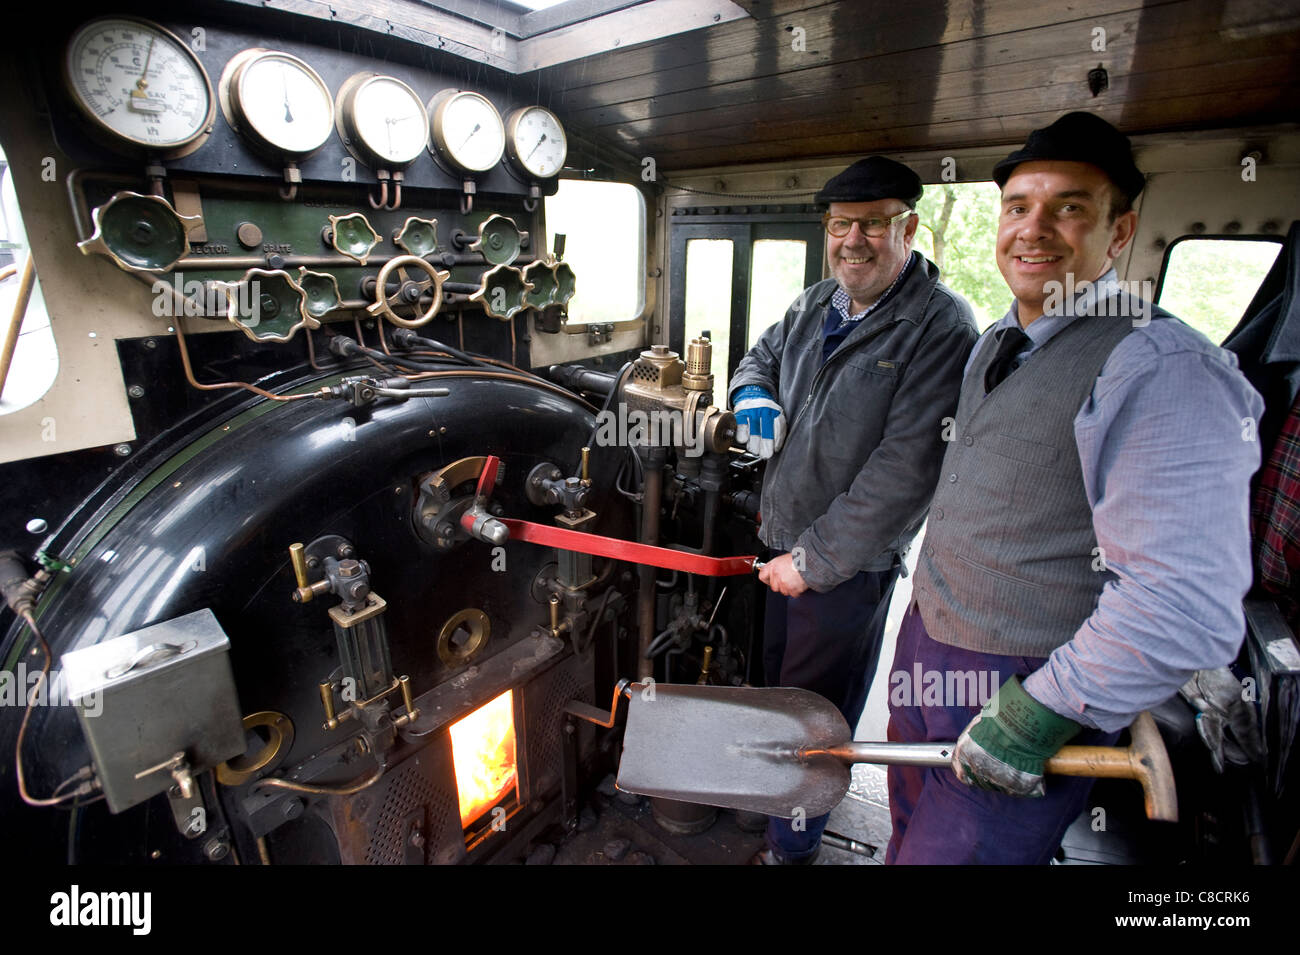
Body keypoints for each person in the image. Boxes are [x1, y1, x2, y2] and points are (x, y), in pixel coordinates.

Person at [886, 112, 1264, 864]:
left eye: (1069, 207)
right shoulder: (999, 341)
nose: (1034, 229)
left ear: (1119, 233)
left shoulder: (1161, 366)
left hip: (1022, 678)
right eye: (1019, 206)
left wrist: (1040, 711)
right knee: (908, 830)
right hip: (928, 643)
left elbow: (1183, 603)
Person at [728, 156, 979, 864]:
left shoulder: (941, 326)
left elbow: (903, 472)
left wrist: (815, 560)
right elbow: (761, 355)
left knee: (816, 712)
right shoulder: (816, 303)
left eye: (874, 224)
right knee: (775, 694)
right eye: (841, 225)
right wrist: (753, 391)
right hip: (778, 544)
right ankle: (772, 802)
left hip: (840, 570)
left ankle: (794, 840)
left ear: (910, 228)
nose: (854, 240)